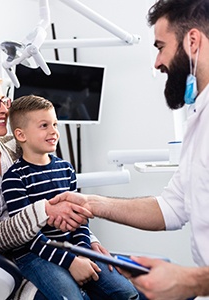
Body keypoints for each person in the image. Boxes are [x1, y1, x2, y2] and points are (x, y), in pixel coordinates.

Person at [50, 0, 209, 299]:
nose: (157, 62)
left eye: (161, 46)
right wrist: (91, 203)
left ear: (192, 41)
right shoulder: (198, 119)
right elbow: (171, 208)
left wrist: (192, 281)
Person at [0, 67, 101, 300]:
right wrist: (44, 210)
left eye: (4, 100)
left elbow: (60, 195)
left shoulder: (19, 145)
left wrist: (89, 243)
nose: (3, 109)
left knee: (114, 284)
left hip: (43, 251)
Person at [1, 95, 139, 300]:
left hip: (72, 246)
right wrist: (70, 262)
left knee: (126, 293)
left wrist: (83, 253)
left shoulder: (66, 169)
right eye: (44, 125)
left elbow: (81, 219)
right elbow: (28, 236)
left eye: (55, 124)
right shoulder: (14, 178)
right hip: (34, 254)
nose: (54, 131)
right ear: (21, 135)